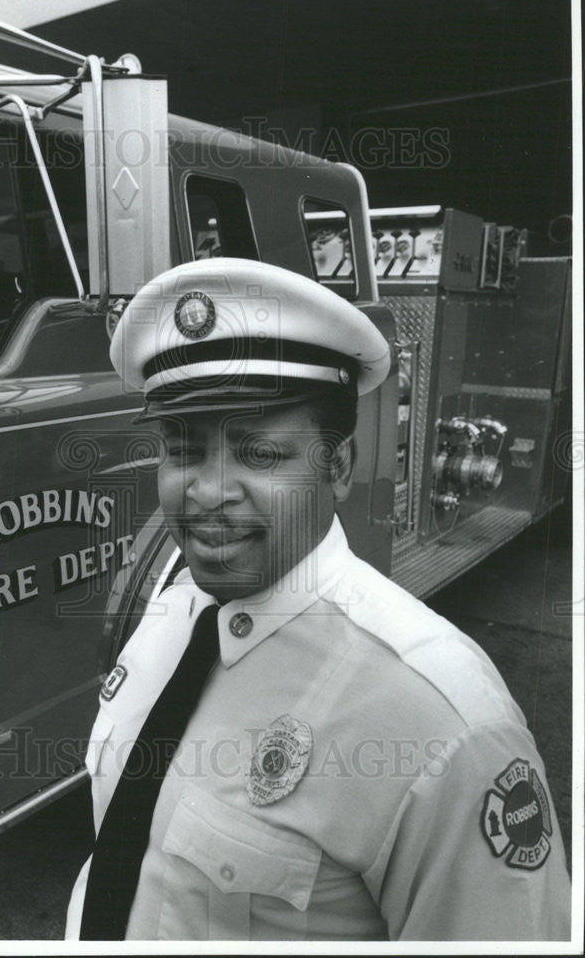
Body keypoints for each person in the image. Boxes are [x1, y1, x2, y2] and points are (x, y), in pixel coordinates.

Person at [65, 257, 571, 941]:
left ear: (336, 468)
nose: (206, 492)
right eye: (183, 450)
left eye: (259, 454)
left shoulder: (443, 723)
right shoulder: (175, 604)